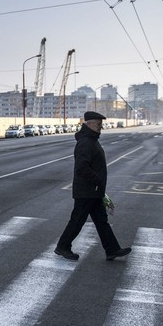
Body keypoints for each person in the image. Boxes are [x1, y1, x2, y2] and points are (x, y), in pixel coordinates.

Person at [55, 111, 131, 261]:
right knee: (77, 220)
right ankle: (63, 247)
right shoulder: (86, 142)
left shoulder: (91, 140)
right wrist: (97, 181)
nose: (100, 127)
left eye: (101, 124)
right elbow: (81, 168)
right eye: (98, 124)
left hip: (94, 191)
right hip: (87, 191)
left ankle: (112, 249)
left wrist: (100, 188)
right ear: (89, 124)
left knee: (101, 221)